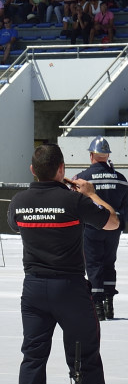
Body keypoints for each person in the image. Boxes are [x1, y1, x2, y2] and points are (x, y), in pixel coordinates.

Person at [8, 143, 119, 384]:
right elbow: (112, 222)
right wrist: (91, 194)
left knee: (33, 355)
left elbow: (15, 226)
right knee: (85, 354)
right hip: (69, 287)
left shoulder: (19, 201)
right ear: (61, 170)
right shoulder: (74, 200)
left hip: (33, 289)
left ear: (32, 170)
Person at [75, 137, 128, 320]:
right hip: (114, 228)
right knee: (108, 263)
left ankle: (97, 305)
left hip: (91, 227)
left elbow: (75, 204)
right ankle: (109, 304)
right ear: (107, 156)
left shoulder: (82, 179)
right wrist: (120, 225)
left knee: (93, 264)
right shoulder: (121, 179)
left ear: (91, 156)